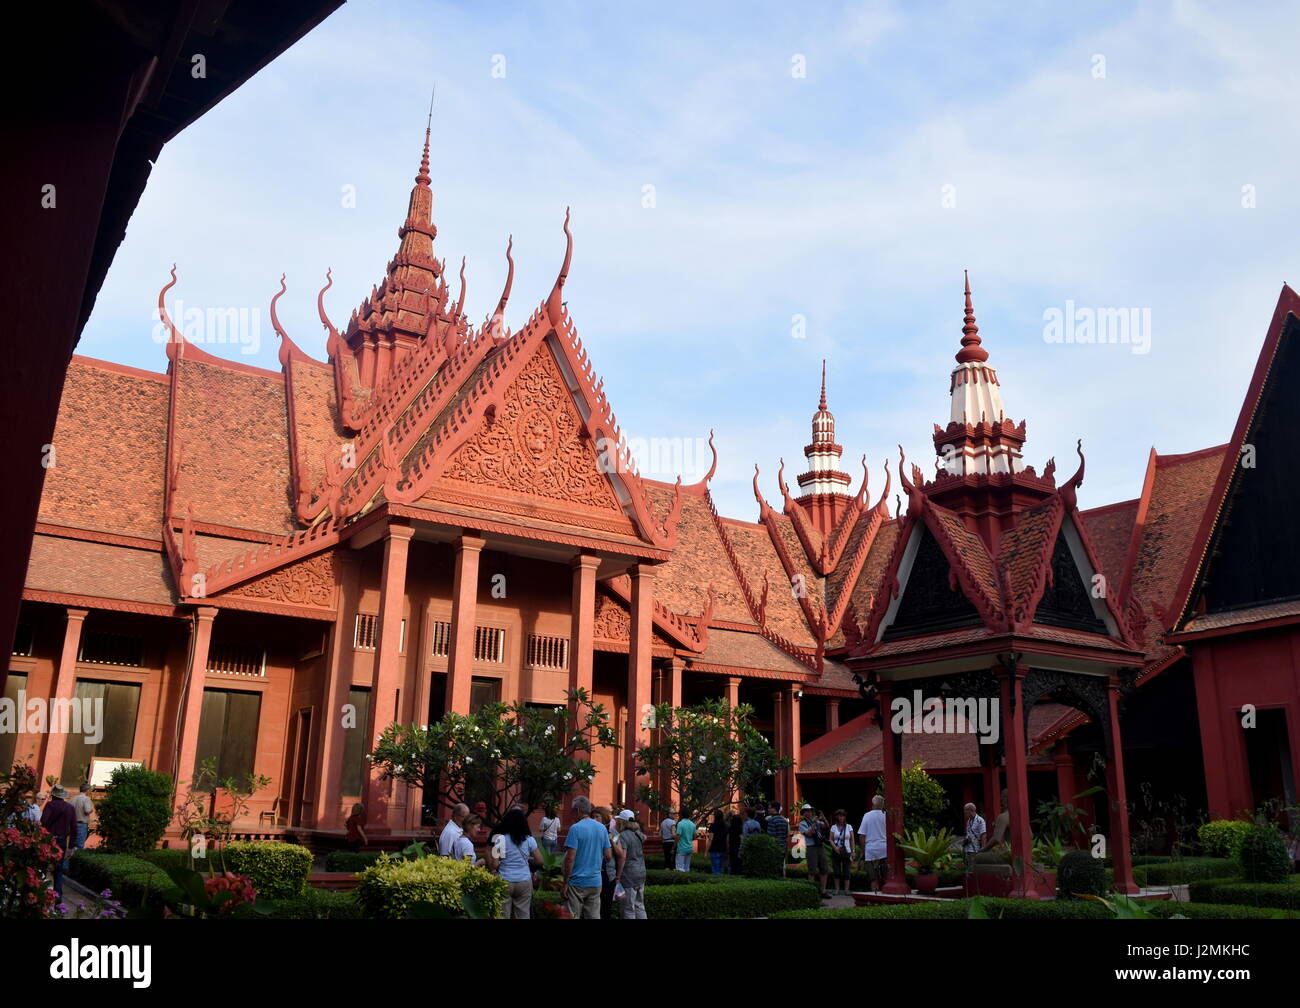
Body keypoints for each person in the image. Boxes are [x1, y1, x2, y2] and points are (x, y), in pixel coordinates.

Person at [562, 795, 611, 918]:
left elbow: (570, 858)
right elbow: (608, 856)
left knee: (572, 916)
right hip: (595, 881)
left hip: (577, 881)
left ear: (577, 811)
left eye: (573, 811)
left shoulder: (575, 828)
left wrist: (565, 882)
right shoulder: (602, 828)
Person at [488, 807, 542, 919]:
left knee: (502, 915)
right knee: (523, 915)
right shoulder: (530, 840)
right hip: (524, 880)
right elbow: (540, 860)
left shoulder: (499, 839)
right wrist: (528, 859)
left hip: (505, 880)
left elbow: (494, 864)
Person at [40, 786, 76, 896]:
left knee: (42, 867)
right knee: (58, 870)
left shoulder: (50, 805)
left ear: (53, 795)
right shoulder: (70, 808)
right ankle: (58, 896)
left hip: (48, 839)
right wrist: (71, 847)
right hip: (62, 841)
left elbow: (43, 822)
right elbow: (74, 828)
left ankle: (39, 893)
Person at [592, 806, 625, 918]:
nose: (594, 819)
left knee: (606, 907)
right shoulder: (591, 830)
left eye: (597, 817)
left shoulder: (613, 832)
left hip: (608, 873)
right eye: (593, 817)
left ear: (605, 818)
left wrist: (610, 840)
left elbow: (620, 854)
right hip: (593, 872)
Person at [614, 811, 648, 919]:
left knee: (628, 908)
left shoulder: (623, 836)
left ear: (622, 822)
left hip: (629, 875)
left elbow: (622, 857)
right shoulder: (638, 834)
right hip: (641, 872)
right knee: (640, 905)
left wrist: (618, 876)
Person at [857, 795, 889, 892]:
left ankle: (874, 897)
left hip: (871, 850)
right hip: (884, 849)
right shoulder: (886, 815)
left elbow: (862, 835)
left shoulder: (867, 815)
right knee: (886, 877)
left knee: (873, 879)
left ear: (873, 804)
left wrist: (863, 851)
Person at [799, 805, 830, 896]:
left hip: (820, 846)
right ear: (803, 813)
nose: (809, 813)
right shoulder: (802, 823)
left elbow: (826, 826)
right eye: (807, 811)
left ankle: (823, 891)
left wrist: (823, 818)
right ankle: (811, 892)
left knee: (824, 869)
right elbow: (809, 833)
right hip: (811, 847)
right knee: (812, 871)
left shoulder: (816, 821)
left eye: (811, 811)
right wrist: (815, 823)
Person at [829, 809, 855, 894]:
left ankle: (846, 890)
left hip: (846, 851)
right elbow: (830, 839)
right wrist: (835, 848)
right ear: (837, 817)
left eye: (843, 816)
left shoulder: (849, 826)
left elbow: (852, 840)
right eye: (839, 816)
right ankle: (837, 889)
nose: (841, 818)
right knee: (836, 870)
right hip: (836, 851)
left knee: (846, 871)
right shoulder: (833, 827)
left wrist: (853, 850)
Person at [69, 787, 94, 854]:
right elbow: (87, 811)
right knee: (79, 846)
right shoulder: (86, 799)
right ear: (87, 790)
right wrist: (92, 809)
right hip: (81, 824)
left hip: (71, 824)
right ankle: (75, 862)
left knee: (70, 846)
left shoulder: (72, 799)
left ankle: (67, 862)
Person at [963, 803, 987, 869]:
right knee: (968, 867)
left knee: (974, 868)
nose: (965, 812)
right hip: (967, 848)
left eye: (966, 810)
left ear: (971, 810)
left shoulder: (980, 820)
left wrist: (983, 848)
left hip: (975, 849)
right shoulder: (968, 821)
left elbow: (983, 834)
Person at [708, 809, 728, 874]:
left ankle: (716, 882)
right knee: (721, 868)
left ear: (715, 817)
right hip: (723, 849)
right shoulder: (725, 826)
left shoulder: (713, 826)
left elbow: (710, 839)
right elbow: (727, 838)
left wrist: (706, 851)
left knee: (715, 869)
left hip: (714, 849)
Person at [727, 809, 745, 875]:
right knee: (739, 862)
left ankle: (733, 873)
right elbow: (742, 838)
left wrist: (728, 846)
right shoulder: (741, 829)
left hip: (732, 846)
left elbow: (728, 838)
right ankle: (738, 873)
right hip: (739, 846)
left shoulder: (730, 828)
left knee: (732, 862)